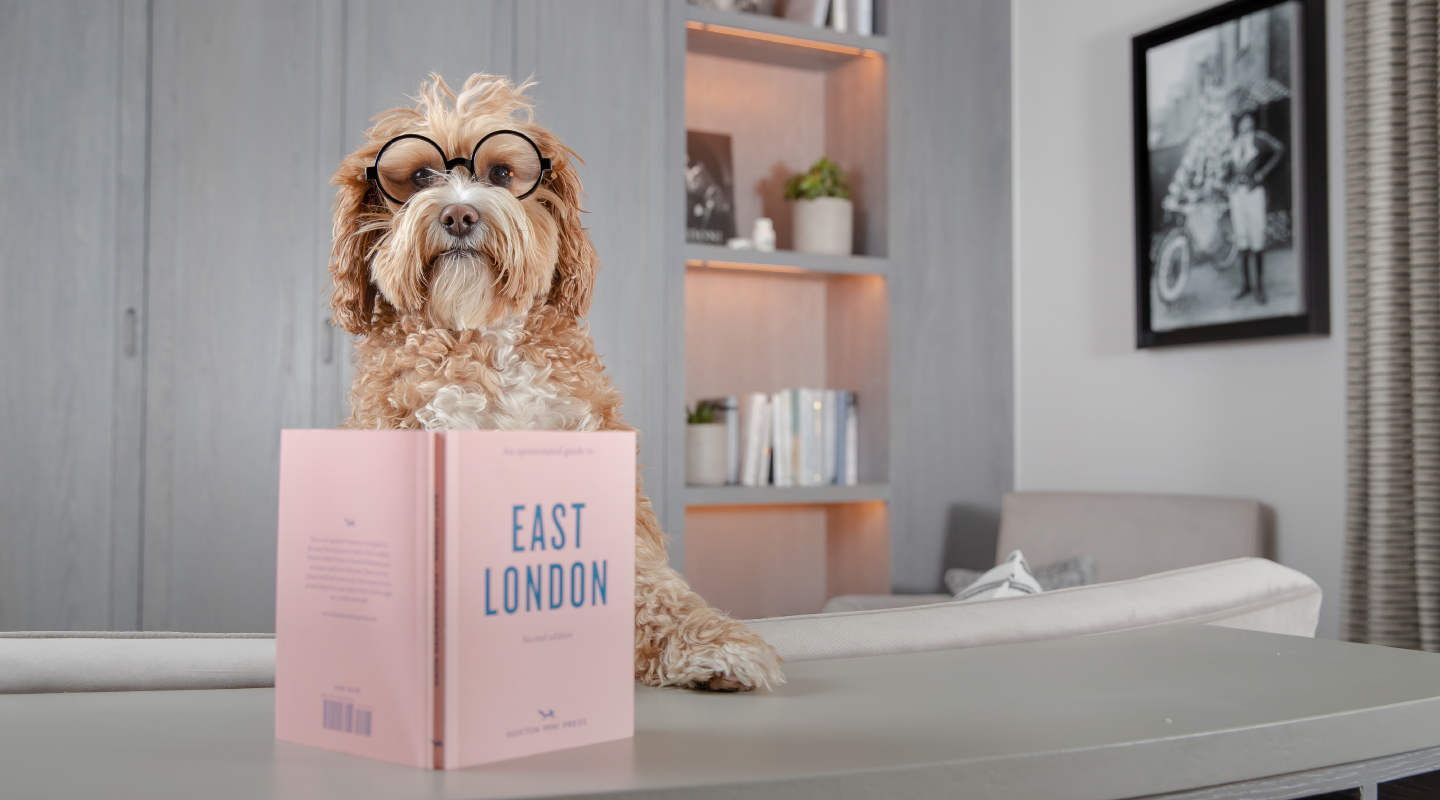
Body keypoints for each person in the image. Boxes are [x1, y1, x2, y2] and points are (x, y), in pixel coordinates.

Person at [1226, 112, 1284, 303]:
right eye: (1243, 121)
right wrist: (1229, 182)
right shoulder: (1234, 142)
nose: (1246, 124)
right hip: (1237, 195)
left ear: (1252, 122)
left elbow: (1279, 149)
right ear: (1238, 124)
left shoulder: (1259, 138)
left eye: (1249, 121)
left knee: (1257, 237)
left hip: (1253, 193)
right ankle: (1246, 285)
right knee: (1241, 237)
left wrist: (1262, 173)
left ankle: (1260, 287)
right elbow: (1229, 166)